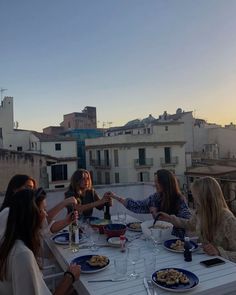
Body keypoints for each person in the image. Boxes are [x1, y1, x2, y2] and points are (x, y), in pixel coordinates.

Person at [0, 189, 81, 295]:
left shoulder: (11, 242)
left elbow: (44, 234)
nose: (46, 214)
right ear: (30, 215)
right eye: (42, 210)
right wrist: (69, 277)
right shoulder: (22, 255)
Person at [158, 176, 236, 262]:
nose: (194, 200)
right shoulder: (201, 212)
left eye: (196, 196)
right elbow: (190, 224)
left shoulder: (228, 220)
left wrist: (219, 252)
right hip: (204, 261)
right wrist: (170, 219)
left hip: (224, 268)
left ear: (206, 197)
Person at [110, 169, 191, 238]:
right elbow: (137, 206)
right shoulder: (156, 198)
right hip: (157, 237)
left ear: (165, 183)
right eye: (155, 181)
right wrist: (115, 197)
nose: (155, 184)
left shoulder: (179, 199)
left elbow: (188, 222)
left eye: (157, 182)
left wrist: (169, 218)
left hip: (175, 239)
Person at [0, 174, 77, 236]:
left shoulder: (28, 210)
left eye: (33, 189)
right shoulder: (7, 213)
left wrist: (66, 221)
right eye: (28, 187)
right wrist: (64, 203)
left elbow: (44, 229)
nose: (32, 192)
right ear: (15, 189)